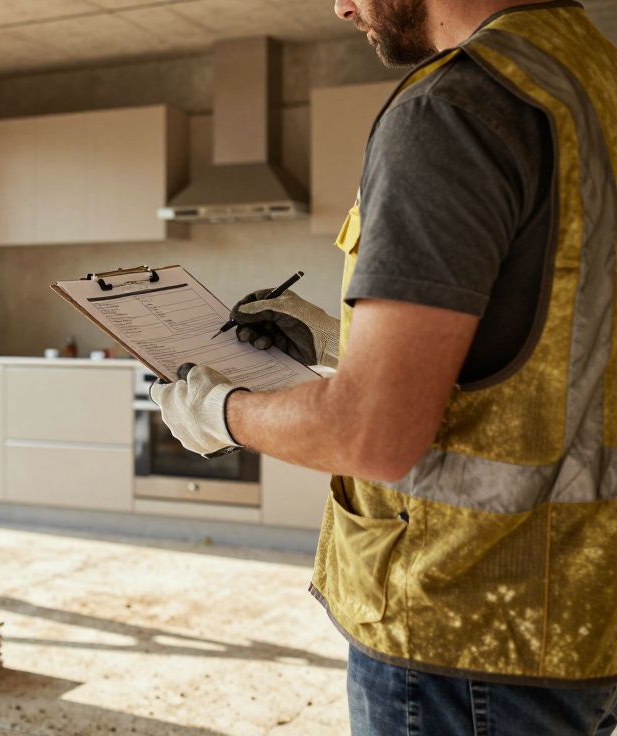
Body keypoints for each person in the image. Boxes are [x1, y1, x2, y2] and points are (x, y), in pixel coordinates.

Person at [151, 1, 617, 734]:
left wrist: (220, 411)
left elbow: (371, 436)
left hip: (457, 626)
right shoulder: (595, 84)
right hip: (586, 613)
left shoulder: (458, 105)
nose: (341, 5)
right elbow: (566, 340)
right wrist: (342, 341)